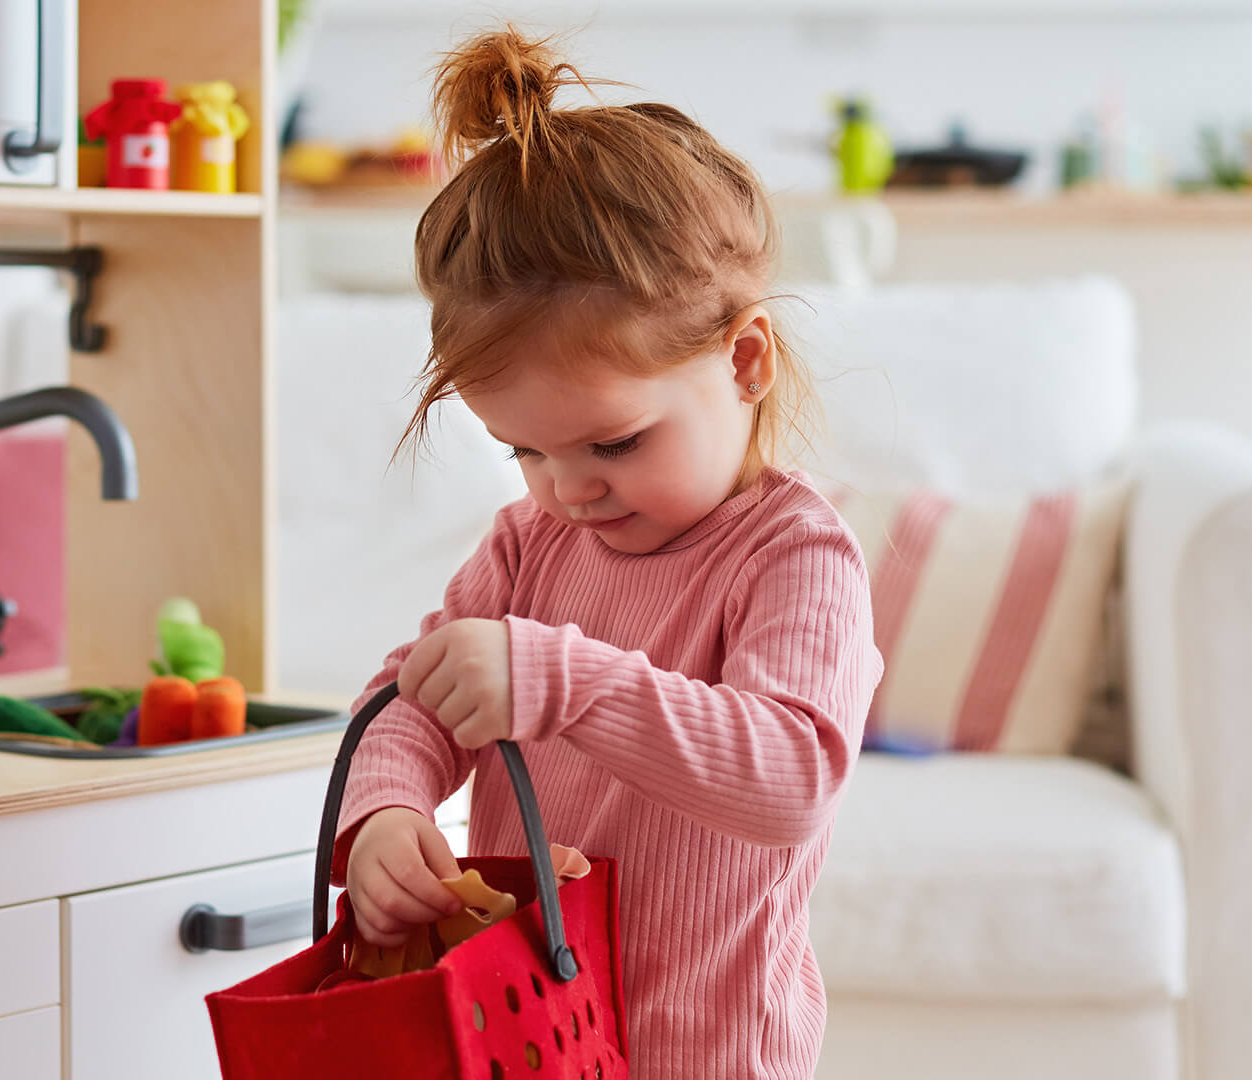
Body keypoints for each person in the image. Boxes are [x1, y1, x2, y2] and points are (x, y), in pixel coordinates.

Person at [331, 27, 884, 1077]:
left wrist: (563, 682)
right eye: (523, 450)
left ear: (748, 359)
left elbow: (793, 776)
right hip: (525, 1038)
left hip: (711, 1053)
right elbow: (406, 703)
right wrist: (385, 814)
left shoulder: (795, 556)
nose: (567, 490)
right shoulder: (527, 545)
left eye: (614, 442)